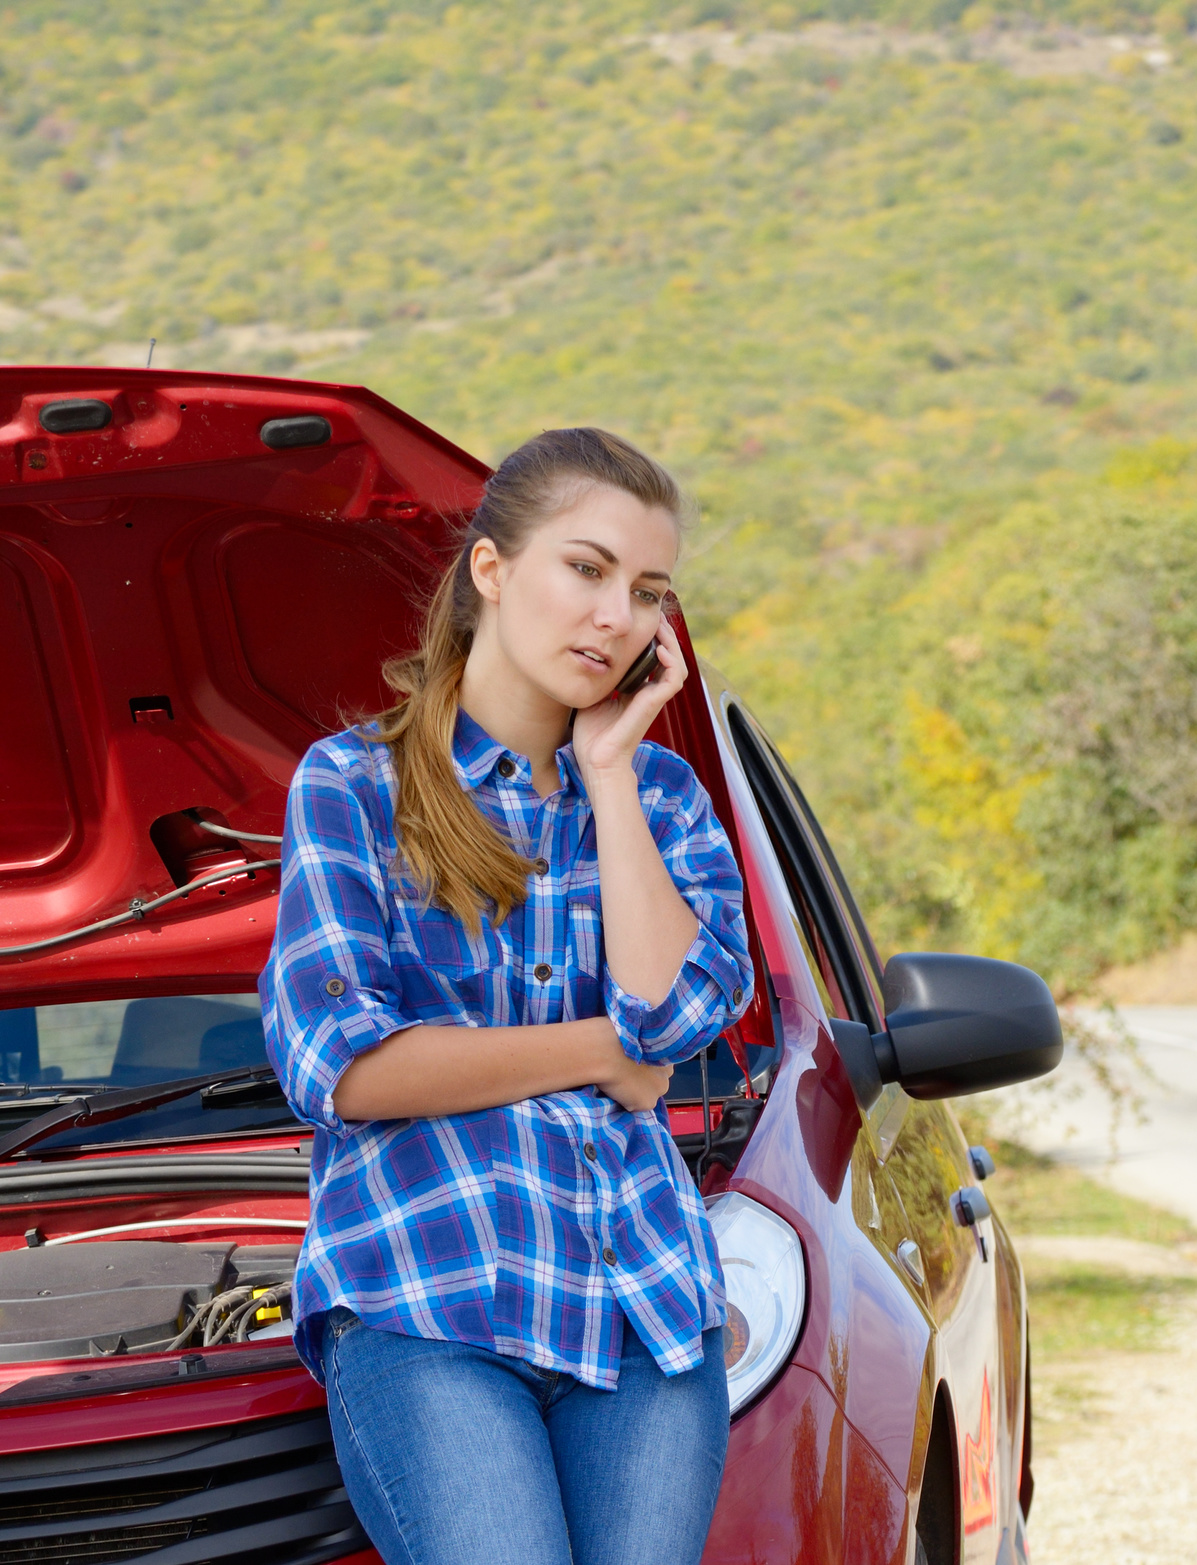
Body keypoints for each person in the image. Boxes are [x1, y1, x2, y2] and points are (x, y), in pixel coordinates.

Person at [261, 428, 754, 1565]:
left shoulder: (662, 793)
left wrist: (614, 775)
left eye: (647, 592)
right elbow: (342, 1064)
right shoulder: (353, 784)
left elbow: (678, 1017)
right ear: (490, 568)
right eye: (585, 569)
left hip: (644, 1306)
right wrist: (597, 1053)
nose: (616, 616)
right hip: (427, 1296)